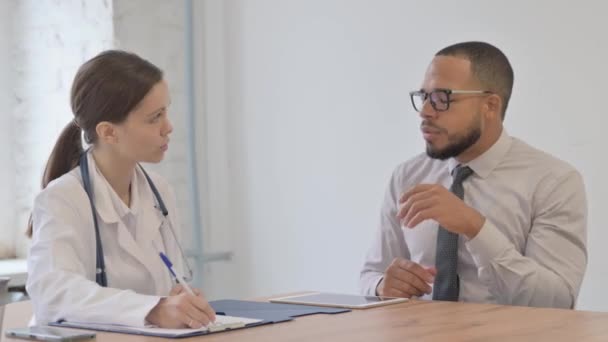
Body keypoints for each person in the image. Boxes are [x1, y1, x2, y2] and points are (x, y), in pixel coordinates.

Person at [360, 41, 587, 308]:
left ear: (490, 105)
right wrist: (382, 285)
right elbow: (372, 273)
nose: (425, 112)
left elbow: (556, 302)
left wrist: (475, 227)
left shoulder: (553, 182)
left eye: (442, 98)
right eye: (424, 97)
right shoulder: (408, 176)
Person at [26, 50, 216, 327]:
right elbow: (54, 294)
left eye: (167, 112)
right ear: (109, 132)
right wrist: (153, 309)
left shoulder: (159, 191)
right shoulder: (62, 199)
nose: (169, 127)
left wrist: (179, 299)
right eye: (155, 117)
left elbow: (170, 283)